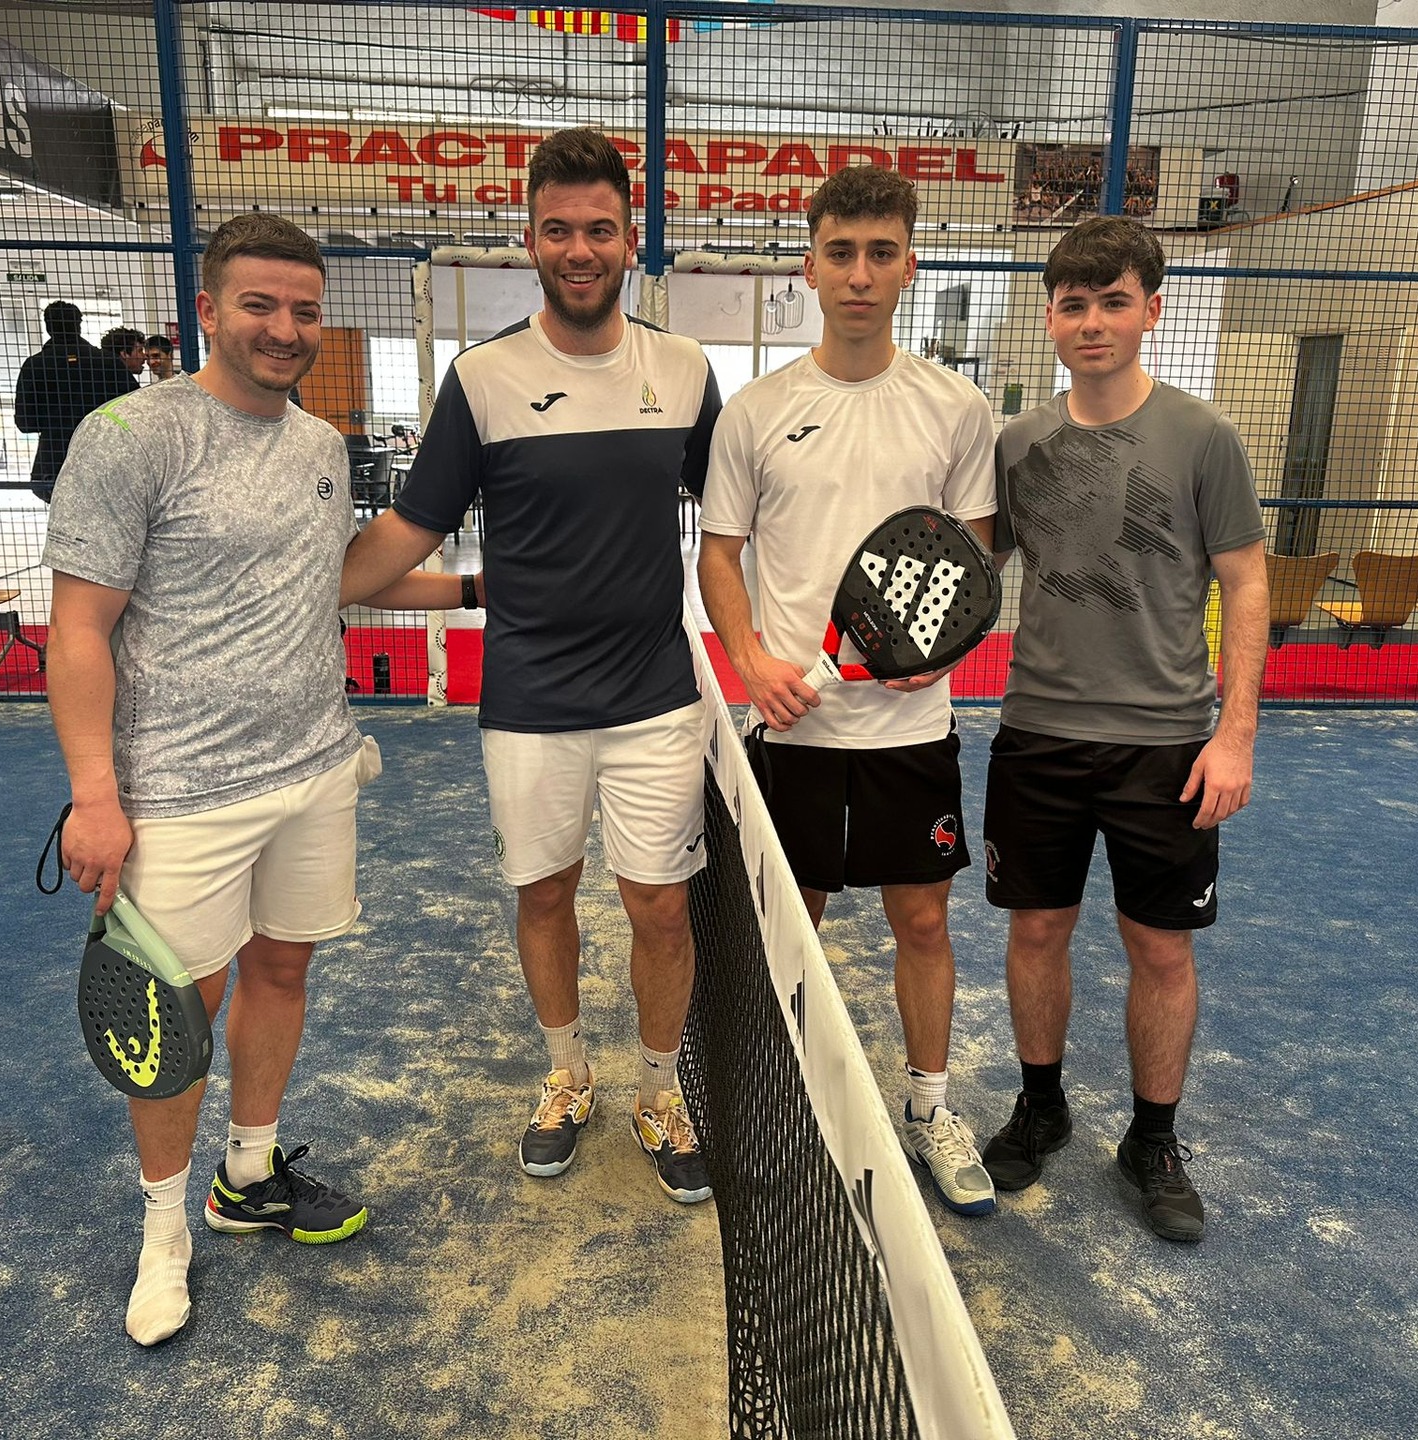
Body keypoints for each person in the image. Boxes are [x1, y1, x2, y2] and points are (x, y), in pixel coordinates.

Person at [42, 213, 465, 1347]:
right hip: (178, 790)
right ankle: (162, 1231)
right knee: (175, 1017)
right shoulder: (129, 436)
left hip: (315, 768)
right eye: (260, 306)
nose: (285, 329)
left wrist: (486, 591)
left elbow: (333, 579)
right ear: (209, 312)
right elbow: (77, 630)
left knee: (283, 967)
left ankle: (248, 1174)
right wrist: (95, 795)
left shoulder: (320, 446)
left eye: (304, 311)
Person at [337, 127, 723, 1206]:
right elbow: (409, 531)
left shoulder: (684, 371)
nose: (579, 249)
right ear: (530, 238)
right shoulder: (483, 379)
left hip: (656, 699)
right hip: (528, 703)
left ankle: (659, 1091)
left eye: (599, 229)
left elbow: (739, 516)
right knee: (544, 895)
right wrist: (301, 587)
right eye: (558, 230)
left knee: (661, 909)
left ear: (631, 238)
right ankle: (568, 1075)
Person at [696, 166, 1000, 1218]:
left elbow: (970, 556)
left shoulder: (956, 408)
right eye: (840, 253)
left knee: (924, 922)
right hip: (795, 731)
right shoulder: (757, 412)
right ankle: (779, 1104)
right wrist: (752, 660)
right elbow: (720, 554)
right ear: (810, 266)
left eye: (880, 253)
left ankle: (929, 1110)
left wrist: (937, 655)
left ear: (909, 265)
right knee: (794, 931)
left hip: (911, 730)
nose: (859, 274)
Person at [980, 214, 1269, 1244]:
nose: (1093, 322)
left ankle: (1153, 1139)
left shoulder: (1203, 438)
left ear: (1152, 309)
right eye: (1074, 304)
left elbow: (1247, 584)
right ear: (1051, 318)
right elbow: (974, 572)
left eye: (1113, 302)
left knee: (1160, 947)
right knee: (1036, 931)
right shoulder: (1017, 445)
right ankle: (1041, 1105)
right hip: (1037, 736)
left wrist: (1234, 735)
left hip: (1166, 745)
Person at [13, 302, 139, 502]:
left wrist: (55, 420)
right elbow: (135, 410)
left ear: (48, 327)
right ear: (79, 325)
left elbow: (25, 422)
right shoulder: (108, 362)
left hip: (55, 464)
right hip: (105, 458)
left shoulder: (35, 366)